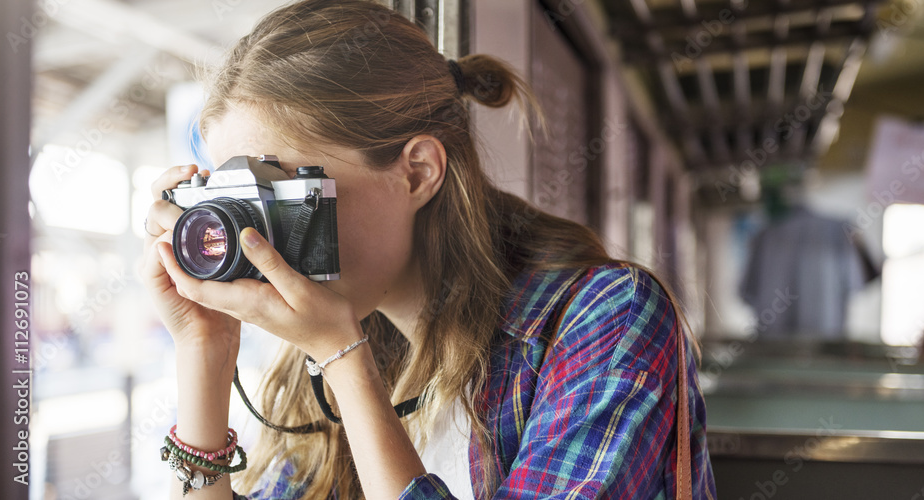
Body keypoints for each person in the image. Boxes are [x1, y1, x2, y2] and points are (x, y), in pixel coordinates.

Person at [140, 1, 716, 498]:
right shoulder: (340, 337)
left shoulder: (609, 318)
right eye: (239, 197)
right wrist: (203, 352)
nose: (255, 237)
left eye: (281, 190)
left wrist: (345, 360)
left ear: (417, 172)